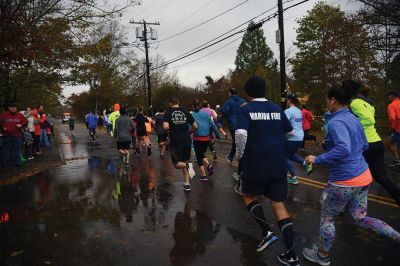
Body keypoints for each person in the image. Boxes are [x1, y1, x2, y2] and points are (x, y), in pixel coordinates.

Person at [303, 85, 400, 266]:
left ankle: (322, 255)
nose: (326, 103)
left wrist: (317, 159)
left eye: (327, 100)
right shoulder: (354, 118)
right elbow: (363, 144)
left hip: (343, 181)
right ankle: (396, 236)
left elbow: (343, 148)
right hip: (363, 176)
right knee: (360, 218)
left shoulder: (336, 123)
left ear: (332, 100)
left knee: (328, 217)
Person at [235, 76, 299, 265]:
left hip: (255, 164)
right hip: (278, 164)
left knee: (247, 195)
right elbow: (290, 132)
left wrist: (240, 153)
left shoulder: (246, 109)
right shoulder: (278, 109)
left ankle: (267, 232)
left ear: (247, 92)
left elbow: (240, 133)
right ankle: (292, 255)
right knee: (279, 206)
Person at [343, 80, 400, 207]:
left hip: (364, 145)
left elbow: (363, 121)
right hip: (377, 143)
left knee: (350, 173)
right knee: (381, 177)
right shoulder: (369, 104)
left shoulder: (354, 103)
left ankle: (344, 203)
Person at [163, 96, 198, 192]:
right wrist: (190, 131)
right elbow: (195, 126)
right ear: (178, 102)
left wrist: (173, 126)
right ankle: (187, 184)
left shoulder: (168, 112)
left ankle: (188, 166)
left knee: (177, 164)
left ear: (170, 103)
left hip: (176, 141)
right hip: (187, 140)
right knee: (185, 160)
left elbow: (165, 126)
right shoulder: (186, 112)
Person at [284, 95, 312, 185]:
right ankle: (305, 163)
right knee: (292, 156)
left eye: (286, 100)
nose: (286, 102)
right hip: (300, 136)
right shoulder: (299, 111)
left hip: (291, 137)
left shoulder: (288, 111)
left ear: (289, 101)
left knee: (284, 157)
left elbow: (284, 124)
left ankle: (294, 178)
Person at [191, 99, 221, 182]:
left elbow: (189, 127)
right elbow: (213, 125)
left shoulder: (192, 114)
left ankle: (203, 176)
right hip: (206, 139)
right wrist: (218, 136)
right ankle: (208, 165)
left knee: (199, 156)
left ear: (193, 106)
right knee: (201, 154)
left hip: (197, 138)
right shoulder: (206, 114)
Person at [221, 88, 246, 163]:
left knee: (236, 141)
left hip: (233, 124)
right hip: (243, 123)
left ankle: (232, 157)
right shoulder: (243, 101)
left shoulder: (228, 102)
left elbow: (224, 112)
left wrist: (222, 112)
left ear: (230, 93)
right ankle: (231, 157)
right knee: (241, 141)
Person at [0, 102, 28, 168]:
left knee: (17, 149)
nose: (14, 108)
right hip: (6, 135)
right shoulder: (4, 115)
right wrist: (3, 126)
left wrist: (21, 124)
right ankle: (5, 162)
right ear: (9, 108)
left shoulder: (20, 115)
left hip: (17, 135)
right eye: (12, 107)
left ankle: (18, 162)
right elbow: (0, 122)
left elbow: (25, 121)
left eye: (15, 107)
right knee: (5, 149)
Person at [386, 90, 400, 165]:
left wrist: (392, 128)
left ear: (392, 96)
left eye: (388, 96)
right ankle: (396, 159)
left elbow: (392, 118)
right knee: (390, 141)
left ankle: (397, 160)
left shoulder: (391, 105)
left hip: (397, 129)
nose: (388, 97)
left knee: (389, 142)